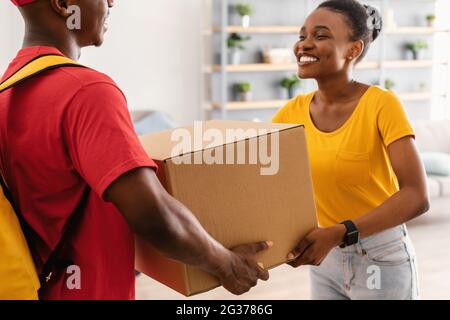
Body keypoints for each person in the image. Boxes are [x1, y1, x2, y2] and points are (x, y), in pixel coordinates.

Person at [0, 0, 271, 299]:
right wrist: (227, 265)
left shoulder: (6, 93)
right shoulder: (87, 90)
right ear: (64, 5)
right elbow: (152, 214)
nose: (111, 2)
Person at [273, 0, 429, 300]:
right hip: (325, 253)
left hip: (379, 255)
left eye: (321, 36)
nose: (304, 45)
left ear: (353, 50)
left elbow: (416, 196)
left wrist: (341, 232)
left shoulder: (381, 104)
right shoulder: (290, 113)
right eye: (302, 35)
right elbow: (259, 180)